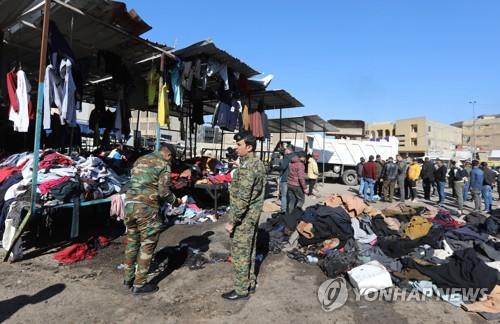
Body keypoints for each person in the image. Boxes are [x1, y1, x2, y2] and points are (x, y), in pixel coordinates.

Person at [123, 143, 181, 294]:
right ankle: (140, 284)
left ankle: (128, 279)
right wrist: (176, 201)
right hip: (146, 208)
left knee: (132, 242)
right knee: (147, 244)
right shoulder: (163, 164)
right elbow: (163, 192)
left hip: (129, 205)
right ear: (168, 155)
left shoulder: (140, 160)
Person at [223, 131, 266, 300]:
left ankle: (241, 289)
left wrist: (232, 221)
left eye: (239, 145)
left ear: (249, 147)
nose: (236, 147)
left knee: (240, 254)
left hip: (244, 218)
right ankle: (250, 283)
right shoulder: (256, 164)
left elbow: (243, 198)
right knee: (250, 250)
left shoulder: (249, 167)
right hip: (252, 217)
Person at [278, 144, 296, 214]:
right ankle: (291, 209)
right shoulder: (296, 156)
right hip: (293, 179)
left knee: (284, 195)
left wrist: (279, 163)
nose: (285, 150)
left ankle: (283, 210)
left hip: (285, 178)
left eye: (285, 149)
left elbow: (283, 167)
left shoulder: (287, 157)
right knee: (291, 195)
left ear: (288, 150)